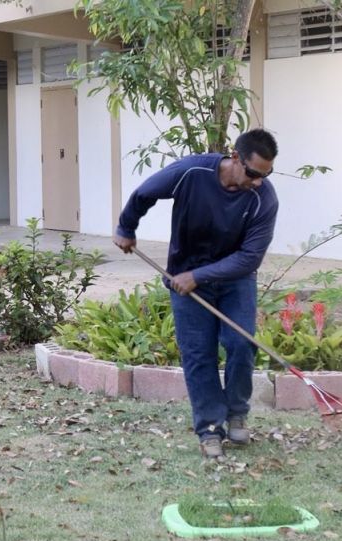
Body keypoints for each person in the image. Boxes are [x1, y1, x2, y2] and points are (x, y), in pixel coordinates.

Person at [112, 129, 279, 459]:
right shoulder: (192, 171)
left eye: (265, 175)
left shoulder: (264, 199)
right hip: (184, 276)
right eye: (253, 173)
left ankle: (236, 413)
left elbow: (250, 257)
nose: (259, 182)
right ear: (235, 158)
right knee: (198, 354)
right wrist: (126, 227)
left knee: (241, 344)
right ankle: (209, 428)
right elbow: (145, 192)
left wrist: (198, 276)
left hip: (235, 279)